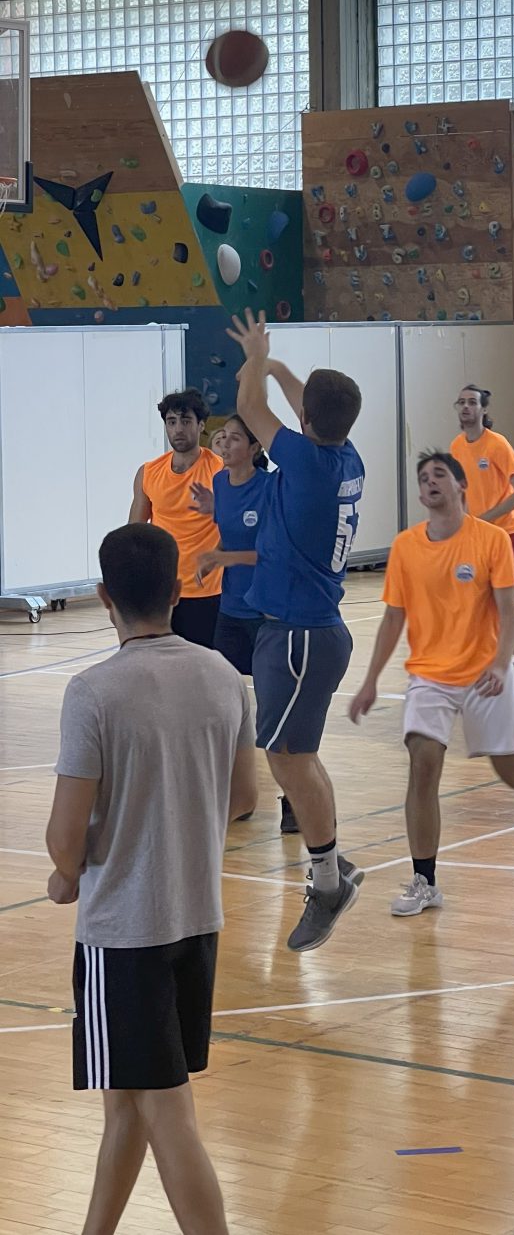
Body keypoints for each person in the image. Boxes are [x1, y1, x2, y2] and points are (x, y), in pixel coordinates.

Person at [45, 523, 258, 1235]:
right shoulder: (223, 676)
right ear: (178, 589)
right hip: (197, 921)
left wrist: (69, 870)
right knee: (129, 1102)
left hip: (123, 934)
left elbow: (64, 837)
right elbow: (243, 798)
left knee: (165, 1109)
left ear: (104, 595)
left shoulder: (93, 692)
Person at [348, 450, 514, 917]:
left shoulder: (490, 540)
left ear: (461, 486)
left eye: (439, 474)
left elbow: (506, 612)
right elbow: (393, 618)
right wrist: (370, 681)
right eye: (424, 477)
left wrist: (502, 666)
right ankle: (425, 882)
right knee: (423, 765)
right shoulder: (405, 546)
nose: (430, 482)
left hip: (485, 672)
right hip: (429, 676)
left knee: (513, 771)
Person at [227, 307, 365, 952]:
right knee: (297, 758)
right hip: (308, 632)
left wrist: (257, 358)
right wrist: (278, 365)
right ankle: (333, 867)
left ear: (305, 419)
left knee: (289, 761)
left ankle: (328, 882)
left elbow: (248, 406)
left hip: (299, 636)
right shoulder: (344, 454)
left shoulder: (305, 464)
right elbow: (300, 405)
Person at [196, 412, 298, 836]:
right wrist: (216, 554)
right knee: (221, 698)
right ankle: (231, 792)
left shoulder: (270, 488)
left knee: (276, 709)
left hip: (266, 613)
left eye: (236, 438)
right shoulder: (220, 484)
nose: (225, 443)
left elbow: (272, 553)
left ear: (255, 448)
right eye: (223, 436)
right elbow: (232, 535)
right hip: (231, 610)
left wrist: (222, 557)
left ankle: (294, 799)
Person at [450, 383, 514, 696]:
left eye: (472, 402)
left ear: (483, 409)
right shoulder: (456, 447)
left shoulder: (497, 445)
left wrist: (485, 519)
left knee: (505, 604)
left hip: (503, 534)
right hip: (473, 536)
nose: (466, 407)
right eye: (461, 402)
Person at [129, 387, 223, 648]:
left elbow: (237, 526)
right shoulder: (149, 472)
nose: (178, 429)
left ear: (201, 425)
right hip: (162, 591)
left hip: (208, 591)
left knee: (204, 664)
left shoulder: (220, 470)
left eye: (186, 421)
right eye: (171, 422)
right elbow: (134, 534)